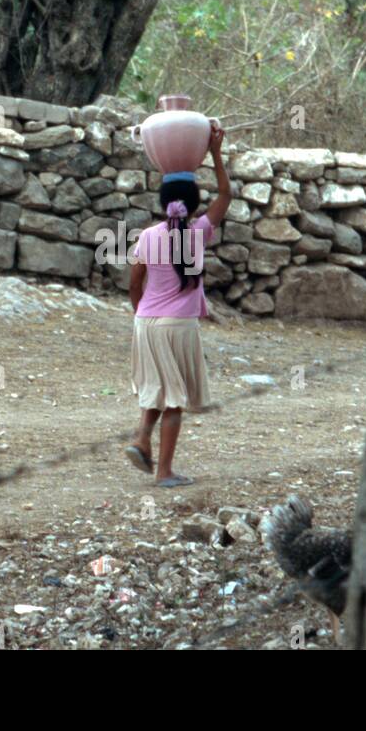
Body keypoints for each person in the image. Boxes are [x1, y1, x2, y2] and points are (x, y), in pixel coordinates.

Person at [125, 121, 231, 487]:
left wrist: (141, 312)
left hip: (146, 323)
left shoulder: (147, 236)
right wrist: (215, 152)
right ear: (193, 203)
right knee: (174, 400)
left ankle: (141, 439)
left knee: (158, 387)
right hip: (177, 326)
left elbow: (134, 283)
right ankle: (165, 472)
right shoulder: (198, 232)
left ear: (162, 201)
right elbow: (226, 196)